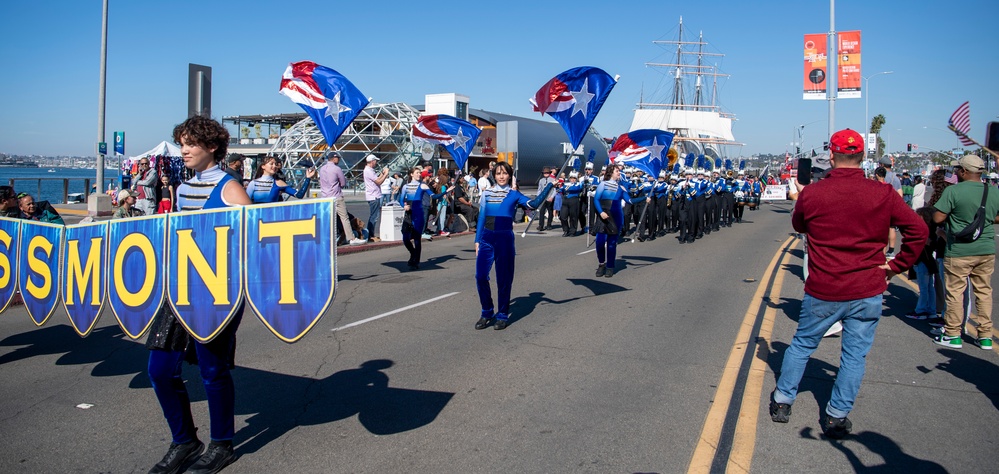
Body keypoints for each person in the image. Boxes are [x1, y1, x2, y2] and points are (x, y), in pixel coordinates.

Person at [769, 129, 927, 439]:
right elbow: (918, 231)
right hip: (868, 286)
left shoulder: (814, 193)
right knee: (854, 356)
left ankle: (783, 400)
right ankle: (837, 416)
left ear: (832, 156)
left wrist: (805, 194)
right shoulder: (882, 193)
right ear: (863, 157)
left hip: (825, 286)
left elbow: (799, 224)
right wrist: (895, 267)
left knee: (802, 345)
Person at [145, 115, 252, 474]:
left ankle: (222, 444)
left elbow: (250, 243)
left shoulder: (230, 188)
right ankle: (185, 441)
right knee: (159, 369)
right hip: (178, 290)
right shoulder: (184, 186)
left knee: (212, 371)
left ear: (211, 147)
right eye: (182, 143)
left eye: (191, 143)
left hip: (215, 293)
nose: (184, 149)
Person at [931, 154, 999, 350]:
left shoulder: (954, 191)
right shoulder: (992, 191)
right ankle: (985, 336)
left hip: (959, 249)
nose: (956, 172)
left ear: (965, 171)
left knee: (955, 293)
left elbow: (937, 217)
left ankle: (953, 334)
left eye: (958, 169)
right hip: (985, 249)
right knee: (984, 292)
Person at [474, 162, 550, 330]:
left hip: (505, 240)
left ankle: (502, 314)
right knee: (480, 276)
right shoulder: (486, 194)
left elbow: (534, 204)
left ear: (509, 175)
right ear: (494, 174)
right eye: (498, 173)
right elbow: (481, 217)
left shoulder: (514, 194)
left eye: (504, 173)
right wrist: (477, 240)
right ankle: (487, 311)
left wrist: (550, 185)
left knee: (504, 279)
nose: (501, 176)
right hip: (486, 238)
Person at [398, 167, 450, 270]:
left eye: (419, 173)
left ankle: (416, 261)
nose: (419, 174)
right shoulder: (405, 186)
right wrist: (404, 206)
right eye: (417, 173)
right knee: (405, 238)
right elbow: (400, 200)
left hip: (418, 213)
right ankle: (413, 253)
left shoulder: (423, 185)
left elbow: (434, 196)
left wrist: (446, 192)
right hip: (409, 213)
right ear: (411, 174)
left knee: (417, 238)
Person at [592, 165, 634, 277]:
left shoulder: (621, 188)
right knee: (599, 242)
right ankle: (601, 264)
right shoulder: (603, 184)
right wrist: (601, 212)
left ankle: (610, 266)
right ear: (611, 173)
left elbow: (630, 200)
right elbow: (596, 199)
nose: (619, 173)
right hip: (603, 216)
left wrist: (645, 198)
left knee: (611, 244)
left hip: (616, 217)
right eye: (617, 171)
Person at [320, 152, 366, 245]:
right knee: (344, 218)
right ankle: (351, 238)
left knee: (328, 219)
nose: (339, 160)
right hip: (336, 196)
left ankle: (326, 238)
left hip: (325, 198)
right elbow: (343, 183)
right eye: (338, 158)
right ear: (334, 158)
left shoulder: (322, 169)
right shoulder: (337, 169)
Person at [245, 155, 315, 204]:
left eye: (275, 164)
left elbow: (299, 195)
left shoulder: (279, 183)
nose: (274, 166)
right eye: (271, 164)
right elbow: (245, 202)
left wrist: (308, 178)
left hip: (273, 218)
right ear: (263, 166)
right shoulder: (253, 183)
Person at [363, 155, 390, 242]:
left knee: (374, 216)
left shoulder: (369, 170)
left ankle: (371, 234)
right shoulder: (368, 170)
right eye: (376, 161)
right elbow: (379, 182)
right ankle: (370, 235)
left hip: (375, 195)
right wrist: (385, 174)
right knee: (374, 217)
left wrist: (382, 174)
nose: (376, 163)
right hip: (373, 196)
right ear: (372, 161)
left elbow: (377, 179)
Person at [535, 167, 556, 232]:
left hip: (549, 198)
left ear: (549, 173)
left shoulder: (553, 179)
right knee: (541, 212)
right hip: (543, 198)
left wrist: (552, 197)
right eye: (544, 173)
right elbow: (539, 189)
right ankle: (541, 225)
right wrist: (538, 197)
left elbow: (554, 190)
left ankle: (549, 224)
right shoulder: (541, 180)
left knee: (550, 211)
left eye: (547, 173)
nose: (546, 174)